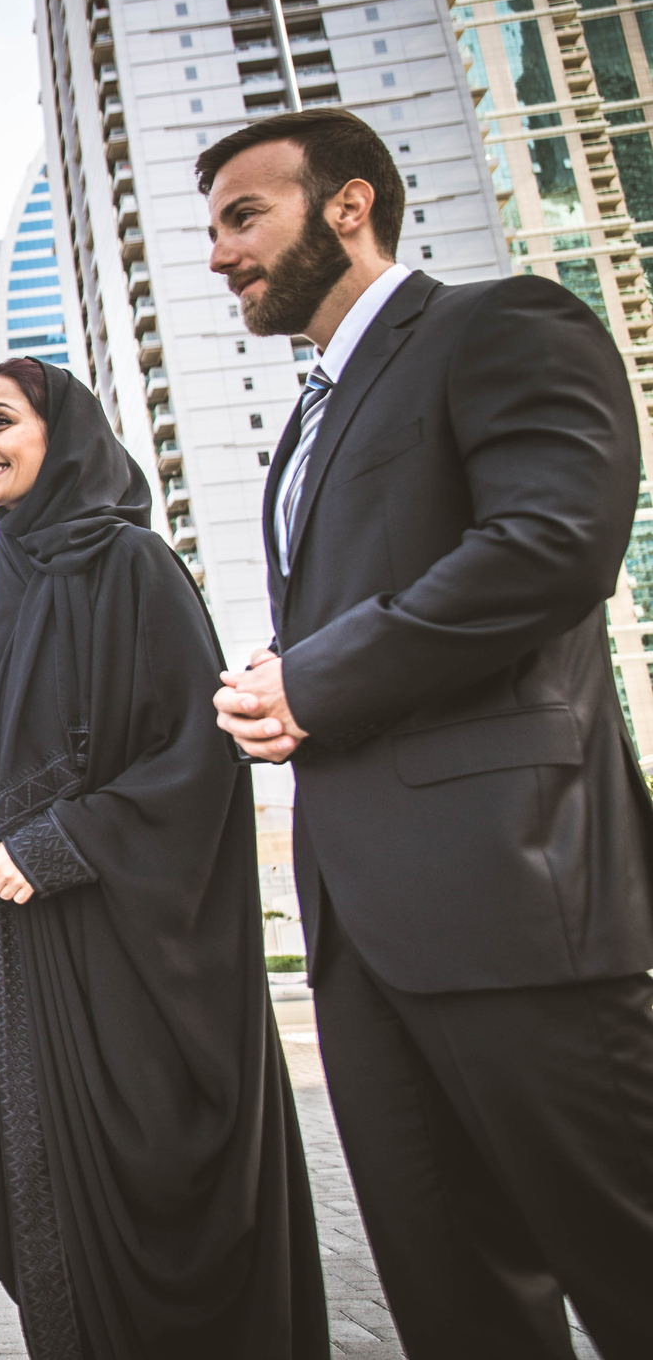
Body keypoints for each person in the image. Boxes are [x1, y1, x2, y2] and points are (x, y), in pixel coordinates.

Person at [203, 107, 653, 1359]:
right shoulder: (298, 428)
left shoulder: (498, 324)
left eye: (245, 217)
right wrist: (284, 683)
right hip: (363, 932)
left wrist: (311, 677)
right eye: (213, 228)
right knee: (454, 1304)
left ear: (347, 205)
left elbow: (549, 543)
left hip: (517, 898)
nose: (218, 253)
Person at [0, 357, 329, 1360]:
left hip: (119, 956)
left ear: (59, 433)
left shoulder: (132, 565)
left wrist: (62, 839)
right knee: (48, 1219)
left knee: (153, 1198)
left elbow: (195, 755)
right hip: (10, 962)